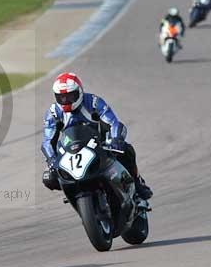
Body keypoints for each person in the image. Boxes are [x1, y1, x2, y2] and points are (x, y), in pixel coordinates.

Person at [40, 72, 153, 204]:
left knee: (127, 151)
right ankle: (73, 192)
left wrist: (116, 140)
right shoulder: (53, 112)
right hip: (71, 153)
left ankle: (137, 182)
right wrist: (52, 160)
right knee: (49, 178)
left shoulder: (93, 102)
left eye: (70, 96)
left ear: (79, 92)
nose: (65, 101)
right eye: (61, 97)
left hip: (99, 146)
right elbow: (47, 141)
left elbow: (113, 122)